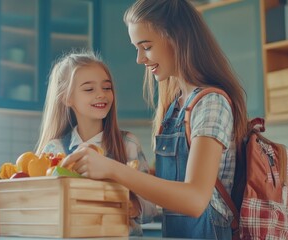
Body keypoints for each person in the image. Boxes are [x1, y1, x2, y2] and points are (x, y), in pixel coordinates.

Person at [60, 0, 249, 239]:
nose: (139, 59)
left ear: (178, 39)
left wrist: (112, 168)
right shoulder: (175, 107)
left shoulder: (211, 103)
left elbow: (195, 200)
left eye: (146, 46)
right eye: (137, 48)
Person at [35, 50, 157, 236]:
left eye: (106, 88)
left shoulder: (128, 144)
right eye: (89, 89)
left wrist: (134, 206)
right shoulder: (54, 150)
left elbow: (150, 208)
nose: (101, 94)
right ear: (67, 98)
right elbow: (44, 209)